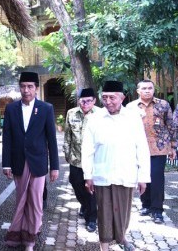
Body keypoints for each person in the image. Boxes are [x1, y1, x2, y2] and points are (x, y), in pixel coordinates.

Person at [82, 80, 150, 251]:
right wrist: (87, 175)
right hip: (102, 174)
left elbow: (141, 147)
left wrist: (143, 177)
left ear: (122, 98)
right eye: (104, 98)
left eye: (112, 97)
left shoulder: (133, 117)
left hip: (125, 173)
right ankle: (104, 246)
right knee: (104, 213)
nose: (108, 101)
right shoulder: (95, 118)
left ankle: (121, 237)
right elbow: (87, 149)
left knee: (123, 213)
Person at [2, 72, 59, 250]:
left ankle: (30, 239)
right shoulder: (11, 108)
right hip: (18, 161)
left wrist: (54, 167)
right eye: (23, 86)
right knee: (21, 200)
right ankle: (17, 233)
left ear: (36, 88)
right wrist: (6, 163)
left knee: (35, 200)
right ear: (19, 87)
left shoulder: (46, 108)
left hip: (38, 163)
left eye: (30, 86)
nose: (26, 90)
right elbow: (8, 138)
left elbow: (52, 139)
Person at [126, 79, 176, 224]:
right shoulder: (130, 107)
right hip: (138, 149)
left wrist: (173, 146)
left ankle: (157, 210)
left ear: (154, 90)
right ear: (138, 91)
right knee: (142, 177)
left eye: (150, 88)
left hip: (159, 148)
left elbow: (171, 126)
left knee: (156, 179)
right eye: (144, 88)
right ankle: (146, 205)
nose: (147, 90)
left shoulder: (163, 105)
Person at [63, 87, 99, 232]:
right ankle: (84, 204)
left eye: (89, 101)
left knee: (91, 190)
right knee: (76, 184)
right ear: (78, 101)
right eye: (82, 101)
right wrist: (67, 153)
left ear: (94, 101)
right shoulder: (71, 113)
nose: (85, 104)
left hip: (93, 160)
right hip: (76, 159)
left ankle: (92, 219)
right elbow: (67, 135)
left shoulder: (100, 114)